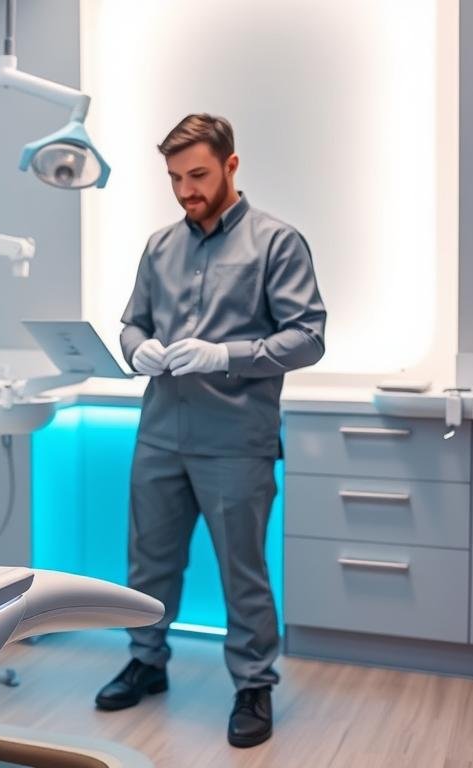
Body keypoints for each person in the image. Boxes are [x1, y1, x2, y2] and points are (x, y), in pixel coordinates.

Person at [94, 114, 327, 748]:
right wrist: (135, 348)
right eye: (174, 178)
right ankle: (146, 661)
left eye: (197, 175)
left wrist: (228, 356)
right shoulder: (159, 246)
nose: (185, 190)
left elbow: (308, 338)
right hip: (161, 429)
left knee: (242, 570)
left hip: (236, 438)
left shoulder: (277, 242)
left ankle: (253, 685)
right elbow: (132, 325)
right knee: (149, 560)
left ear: (231, 165)